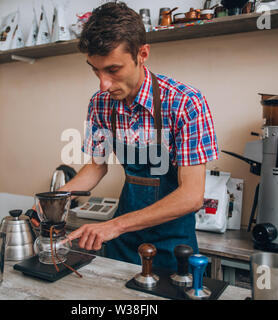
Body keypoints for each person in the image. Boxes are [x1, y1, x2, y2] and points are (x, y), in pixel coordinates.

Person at [60, 2, 219, 269]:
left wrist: (114, 225)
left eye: (113, 69)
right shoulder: (100, 104)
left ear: (142, 54)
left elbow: (192, 196)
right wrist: (53, 200)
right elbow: (96, 168)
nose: (103, 84)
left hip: (173, 245)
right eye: (95, 70)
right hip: (124, 244)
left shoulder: (184, 103)